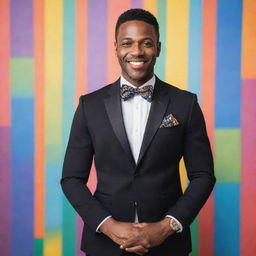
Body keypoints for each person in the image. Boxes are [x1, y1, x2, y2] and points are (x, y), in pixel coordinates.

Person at [61, 8, 215, 256]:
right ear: (116, 48)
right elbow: (71, 178)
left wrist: (167, 226)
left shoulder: (185, 104)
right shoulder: (89, 106)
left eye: (146, 43)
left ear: (159, 48)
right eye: (127, 43)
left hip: (168, 245)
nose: (136, 52)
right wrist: (109, 226)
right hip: (104, 245)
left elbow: (203, 175)